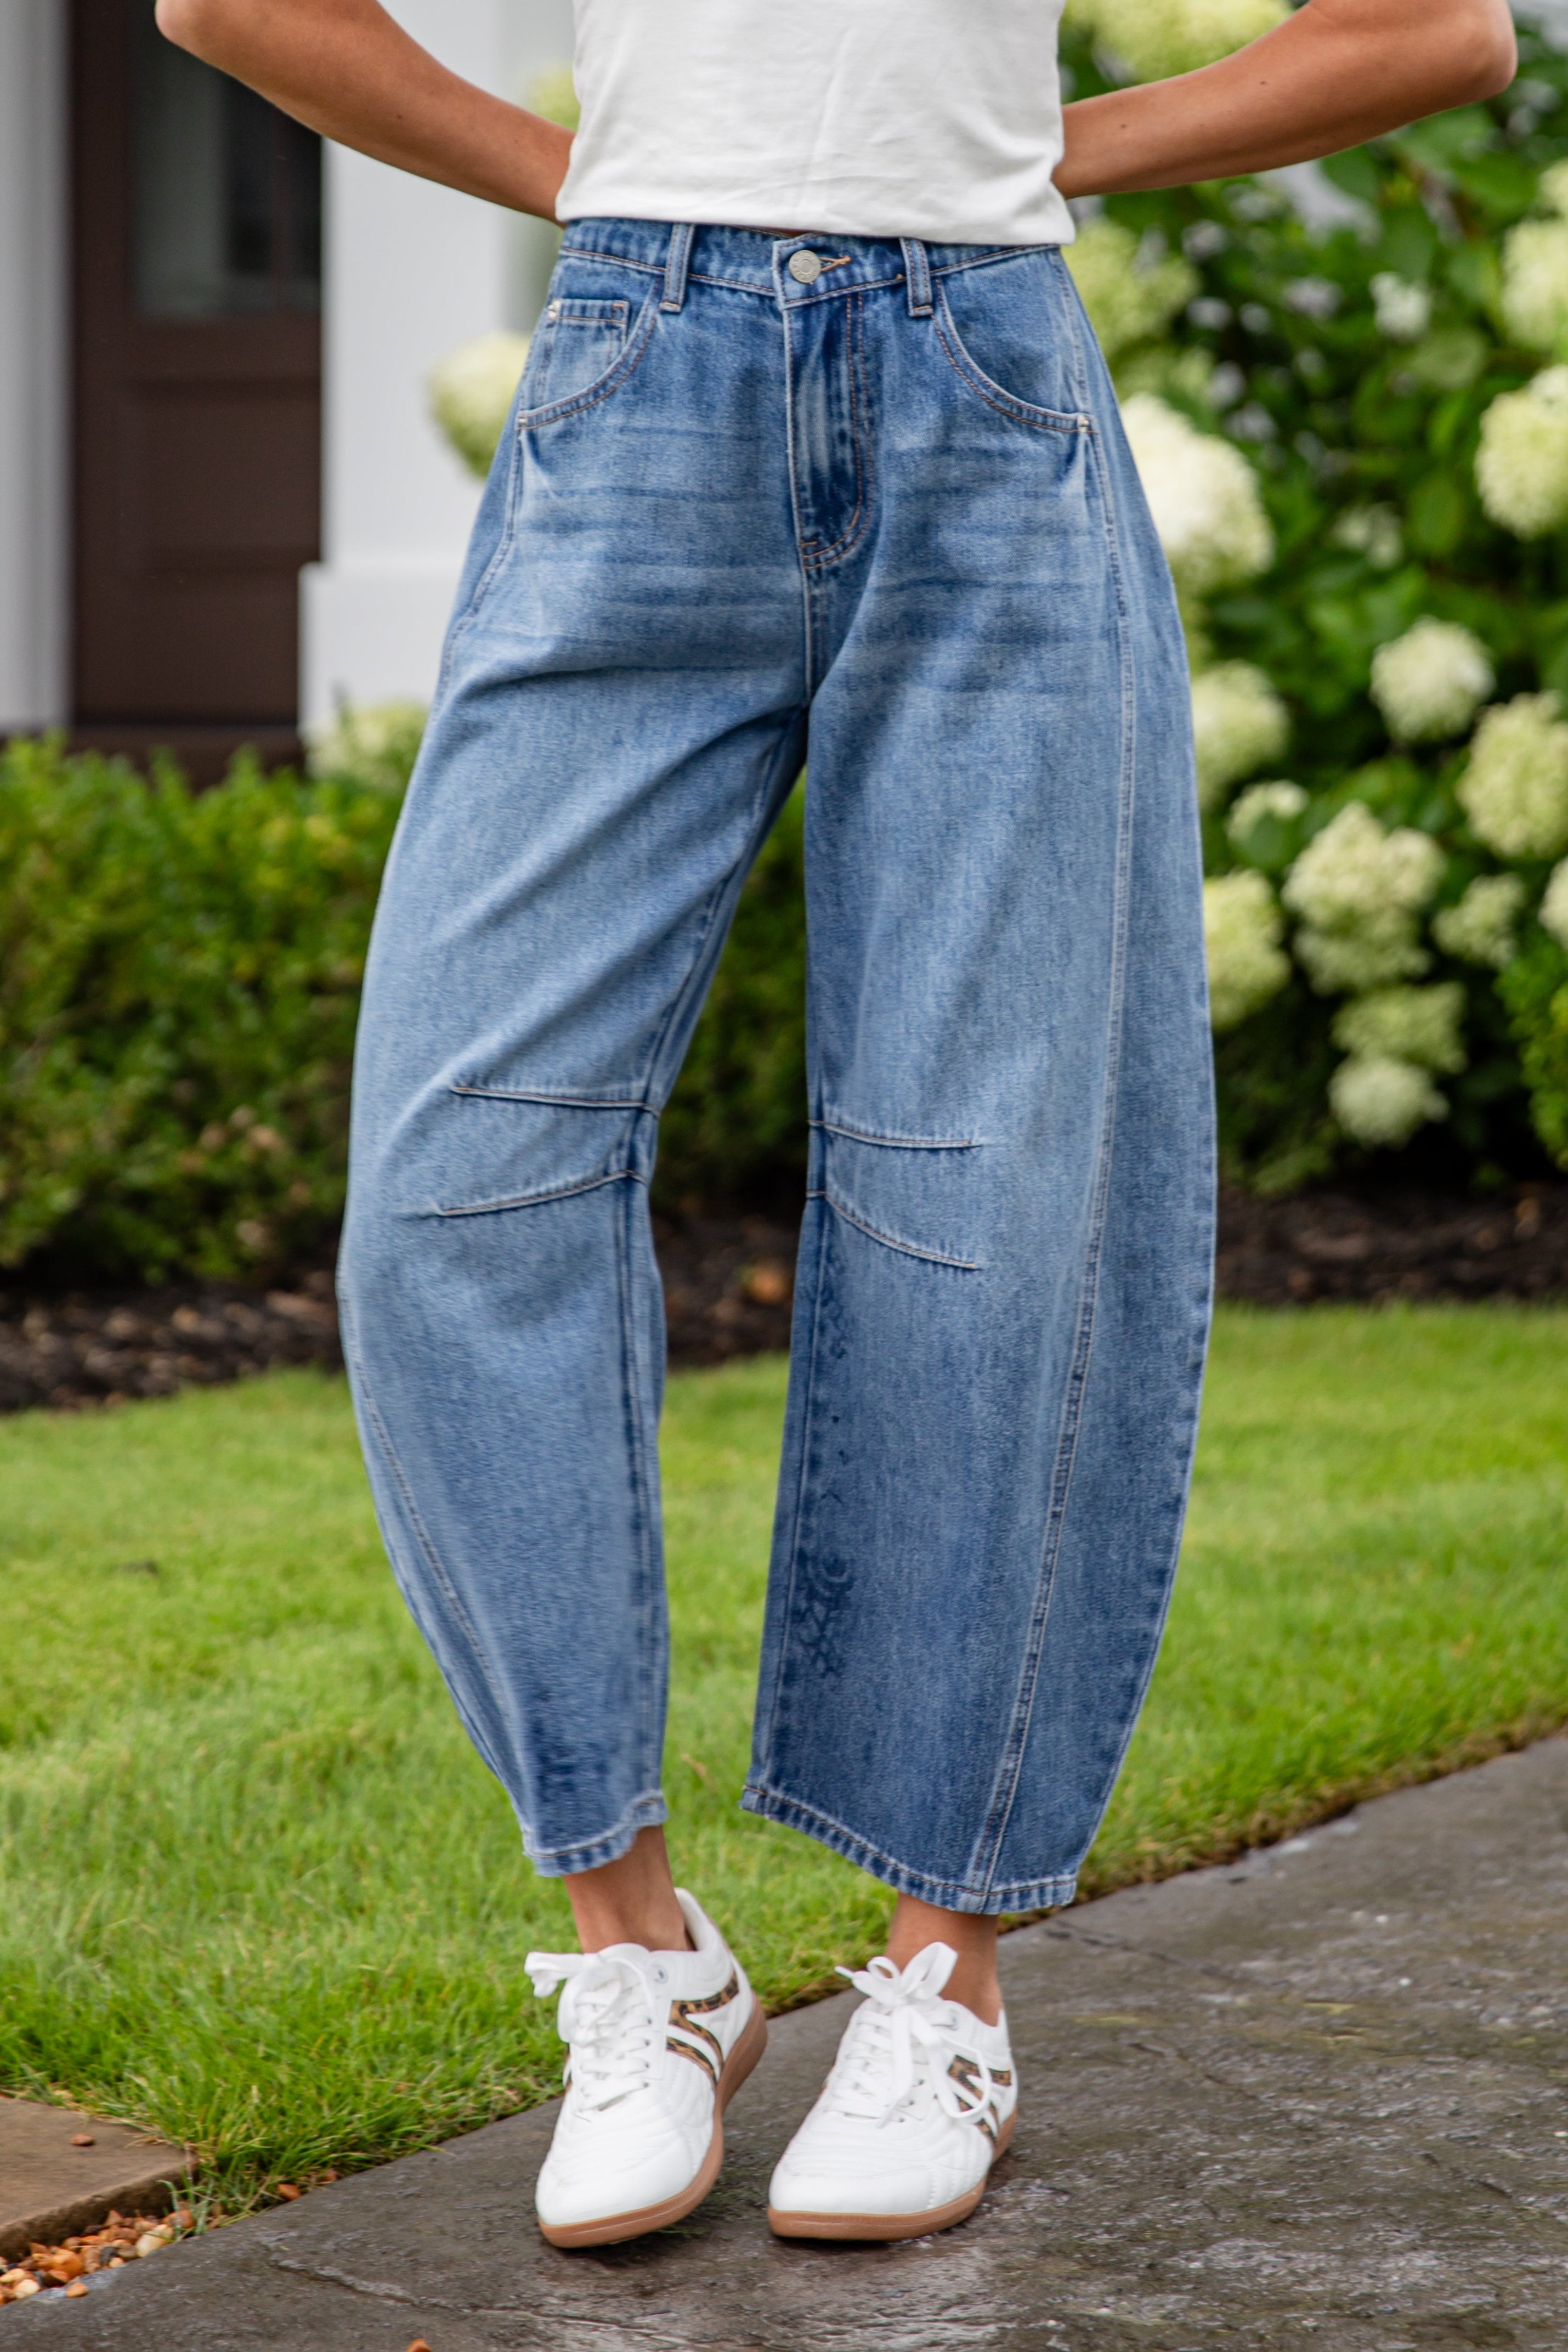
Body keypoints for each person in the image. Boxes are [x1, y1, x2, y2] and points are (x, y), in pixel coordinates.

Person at [161, 0, 1514, 2252]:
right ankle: (640, 1955)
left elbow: (1440, 36)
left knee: (980, 1188)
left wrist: (1035, 155)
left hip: (980, 379)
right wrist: (572, 179)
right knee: (451, 1173)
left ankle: (938, 1974)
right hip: (634, 363)